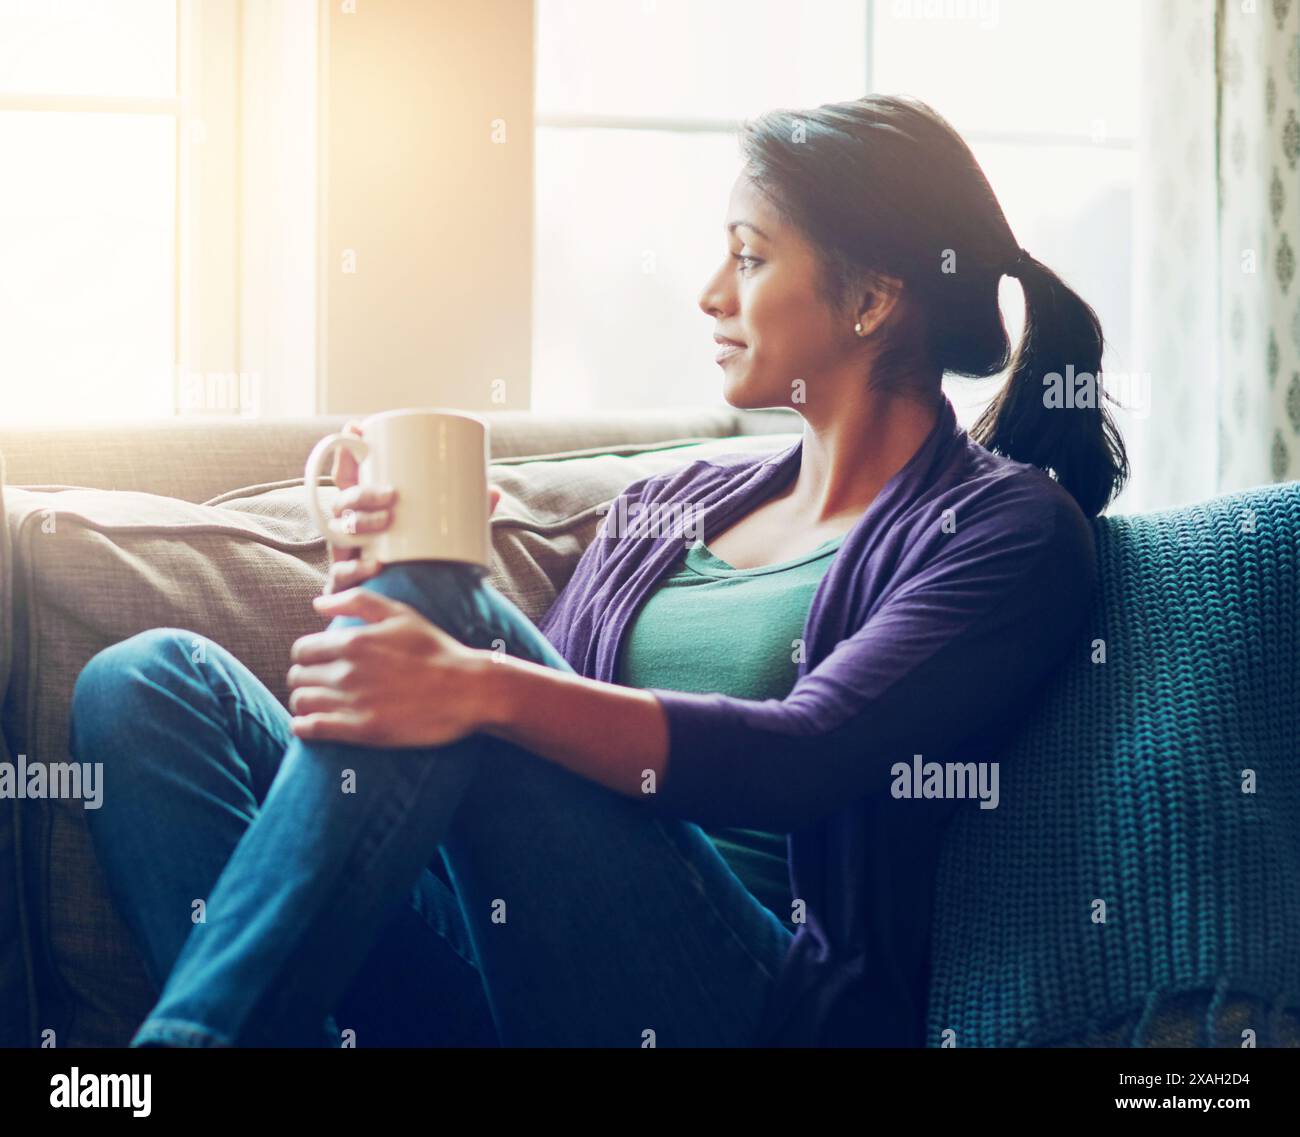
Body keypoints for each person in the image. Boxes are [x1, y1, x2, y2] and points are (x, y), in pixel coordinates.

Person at [70, 94, 1126, 1048]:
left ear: (871, 300)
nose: (710, 294)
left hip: (739, 1002)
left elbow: (809, 755)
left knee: (460, 639)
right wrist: (388, 576)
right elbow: (514, 748)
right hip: (515, 972)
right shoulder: (672, 504)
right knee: (147, 683)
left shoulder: (1003, 528)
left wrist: (466, 654)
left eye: (750, 257)